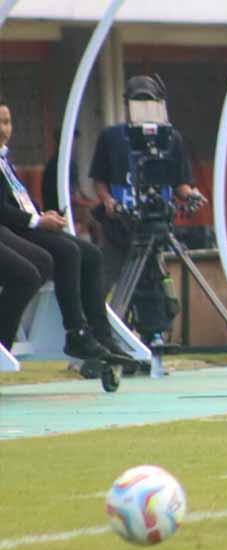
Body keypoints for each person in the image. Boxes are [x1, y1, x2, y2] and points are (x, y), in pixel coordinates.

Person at [0, 98, 130, 366]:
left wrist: (41, 215)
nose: (4, 129)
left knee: (92, 254)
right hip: (14, 229)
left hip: (25, 224)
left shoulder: (4, 158)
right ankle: (76, 331)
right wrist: (35, 222)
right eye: (0, 122)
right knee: (66, 251)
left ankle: (101, 333)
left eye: (7, 121)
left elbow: (18, 197)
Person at [90, 75, 204, 343]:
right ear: (126, 105)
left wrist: (191, 195)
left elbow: (180, 182)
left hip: (155, 227)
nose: (144, 108)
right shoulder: (111, 137)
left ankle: (152, 336)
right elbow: (99, 179)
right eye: (138, 102)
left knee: (151, 283)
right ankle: (97, 338)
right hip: (119, 227)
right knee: (103, 282)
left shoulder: (171, 138)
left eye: (150, 102)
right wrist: (107, 201)